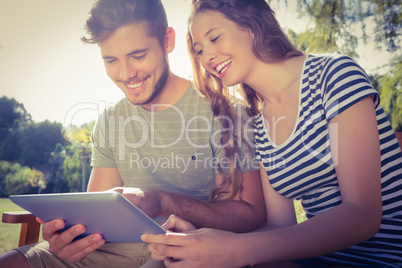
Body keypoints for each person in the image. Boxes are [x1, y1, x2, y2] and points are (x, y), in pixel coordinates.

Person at [0, 0, 266, 267]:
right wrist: (69, 237)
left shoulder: (223, 111)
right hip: (106, 250)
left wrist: (163, 201)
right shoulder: (110, 120)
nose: (125, 74)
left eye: (137, 55)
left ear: (167, 41)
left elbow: (251, 214)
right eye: (111, 60)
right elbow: (94, 215)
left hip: (178, 250)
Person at [141, 0, 402, 267]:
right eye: (199, 50)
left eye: (215, 38)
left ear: (251, 25)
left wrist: (236, 249)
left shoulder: (333, 75)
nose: (207, 57)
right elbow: (280, 227)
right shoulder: (260, 126)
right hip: (314, 261)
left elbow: (363, 215)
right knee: (166, 261)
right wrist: (203, 239)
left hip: (385, 259)